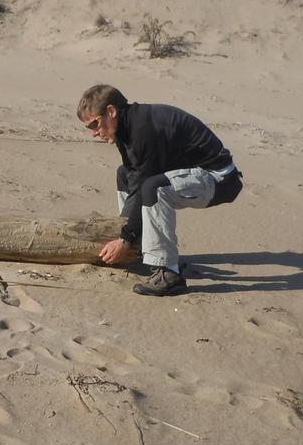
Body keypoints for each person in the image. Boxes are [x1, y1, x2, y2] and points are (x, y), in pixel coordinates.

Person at [77, 84, 242, 296]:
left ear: (111, 111)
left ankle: (168, 273)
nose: (94, 133)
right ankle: (140, 247)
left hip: (219, 179)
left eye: (94, 125)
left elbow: (146, 183)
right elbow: (134, 179)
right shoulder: (127, 127)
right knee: (124, 175)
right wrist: (126, 234)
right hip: (192, 172)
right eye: (89, 128)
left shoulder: (143, 130)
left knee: (154, 189)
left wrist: (124, 239)